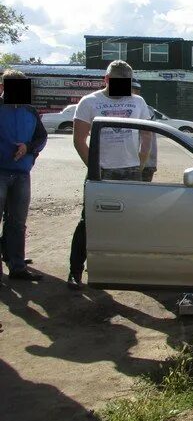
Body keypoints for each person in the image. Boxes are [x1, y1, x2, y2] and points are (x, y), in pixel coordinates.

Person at [67, 61, 151, 290]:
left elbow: (147, 134)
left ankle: (128, 271)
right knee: (89, 222)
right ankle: (75, 271)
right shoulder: (90, 102)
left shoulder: (138, 102)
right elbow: (79, 140)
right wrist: (94, 167)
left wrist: (141, 163)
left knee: (132, 222)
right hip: (100, 172)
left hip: (131, 171)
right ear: (106, 79)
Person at [0, 69, 48, 284]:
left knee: (17, 222)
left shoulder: (30, 110)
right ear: (3, 88)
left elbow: (42, 136)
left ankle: (17, 266)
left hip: (21, 174)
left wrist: (28, 147)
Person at [132, 82, 158, 182]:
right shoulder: (146, 109)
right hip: (144, 162)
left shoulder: (145, 110)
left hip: (143, 163)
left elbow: (146, 137)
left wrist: (141, 162)